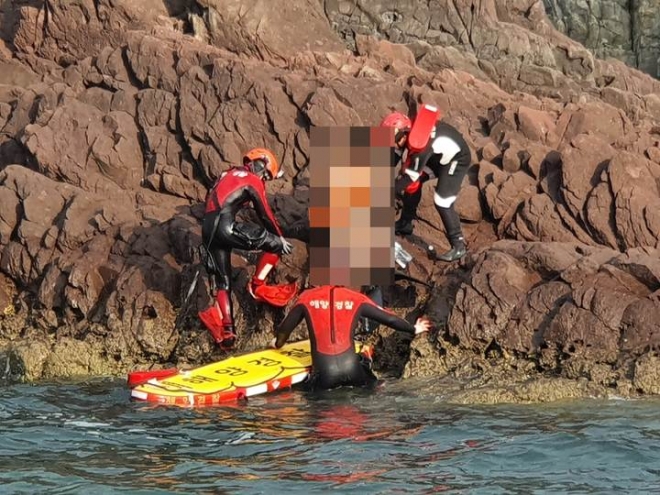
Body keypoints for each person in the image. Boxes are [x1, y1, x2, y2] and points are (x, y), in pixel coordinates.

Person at [198, 148, 297, 350]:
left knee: (223, 283)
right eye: (266, 174)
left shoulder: (227, 174)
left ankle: (227, 333)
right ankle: (257, 286)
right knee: (276, 245)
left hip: (208, 231)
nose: (264, 178)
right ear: (261, 165)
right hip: (226, 227)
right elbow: (265, 213)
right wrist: (279, 237)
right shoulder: (252, 181)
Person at [270, 285, 431, 391]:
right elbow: (390, 319)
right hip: (354, 372)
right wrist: (414, 328)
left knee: (309, 396)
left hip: (324, 376)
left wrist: (277, 343)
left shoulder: (306, 298)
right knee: (370, 383)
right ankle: (376, 386)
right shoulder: (355, 298)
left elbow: (284, 330)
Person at [380, 109, 472, 262]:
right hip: (437, 157)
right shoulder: (406, 135)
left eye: (393, 138)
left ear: (403, 133)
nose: (391, 142)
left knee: (442, 201)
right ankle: (405, 224)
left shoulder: (420, 148)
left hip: (456, 159)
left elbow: (409, 177)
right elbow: (391, 159)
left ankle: (458, 245)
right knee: (412, 186)